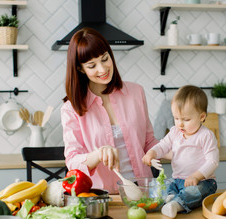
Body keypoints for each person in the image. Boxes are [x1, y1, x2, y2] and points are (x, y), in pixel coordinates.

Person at [61, 27, 159, 194]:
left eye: (105, 59)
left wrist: (181, 145)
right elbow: (72, 162)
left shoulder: (136, 92)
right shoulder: (71, 109)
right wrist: (98, 154)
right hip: (104, 197)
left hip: (144, 191)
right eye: (92, 65)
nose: (102, 69)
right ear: (80, 69)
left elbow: (149, 142)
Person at [142, 85, 219, 218]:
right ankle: (171, 197)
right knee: (165, 185)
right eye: (176, 118)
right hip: (177, 180)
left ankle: (176, 204)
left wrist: (196, 176)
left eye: (186, 119)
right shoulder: (175, 132)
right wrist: (151, 153)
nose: (180, 124)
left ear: (201, 117)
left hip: (203, 182)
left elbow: (212, 161)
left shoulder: (205, 135)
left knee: (195, 192)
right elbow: (163, 146)